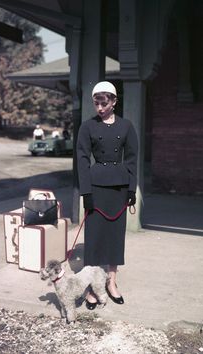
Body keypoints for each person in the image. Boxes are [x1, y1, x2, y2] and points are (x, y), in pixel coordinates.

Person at [77, 81, 138, 310]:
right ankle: (92, 287)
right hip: (96, 186)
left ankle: (112, 282)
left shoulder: (126, 126)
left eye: (104, 103)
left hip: (119, 187)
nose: (100, 108)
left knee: (115, 236)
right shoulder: (87, 127)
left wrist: (132, 188)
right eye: (96, 103)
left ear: (114, 101)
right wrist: (86, 192)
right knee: (94, 238)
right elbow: (82, 160)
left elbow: (132, 159)